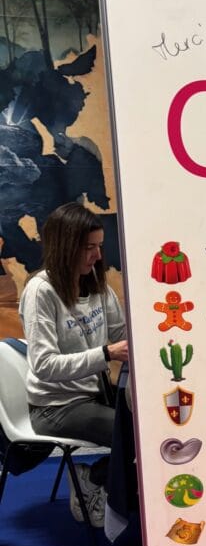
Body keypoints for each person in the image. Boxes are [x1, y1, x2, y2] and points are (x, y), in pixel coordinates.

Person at [19, 203, 129, 525]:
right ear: (65, 246)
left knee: (153, 422)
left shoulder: (96, 284)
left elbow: (122, 334)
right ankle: (93, 481)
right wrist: (106, 354)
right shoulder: (41, 291)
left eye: (99, 246)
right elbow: (44, 365)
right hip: (55, 408)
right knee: (133, 434)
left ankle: (117, 490)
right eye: (89, 247)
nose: (98, 255)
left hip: (93, 396)